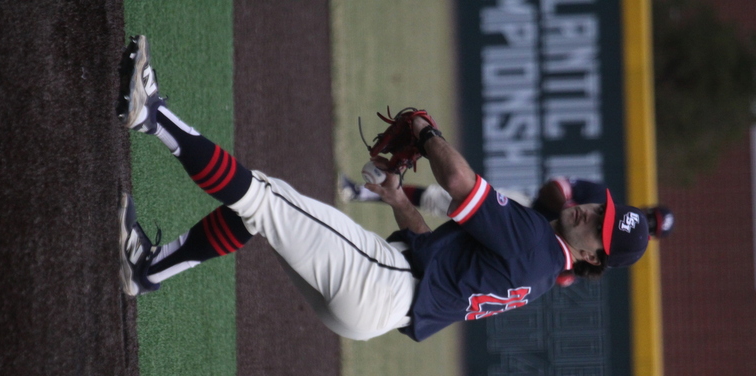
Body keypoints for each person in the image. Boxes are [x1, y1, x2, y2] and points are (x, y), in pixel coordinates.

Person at [117, 35, 650, 342]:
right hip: (379, 305)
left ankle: (151, 115)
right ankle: (149, 268)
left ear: (594, 259)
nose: (585, 213)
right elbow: (431, 259)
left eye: (598, 228)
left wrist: (424, 129)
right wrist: (397, 200)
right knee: (260, 214)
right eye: (596, 208)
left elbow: (460, 182)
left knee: (262, 194)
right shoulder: (537, 273)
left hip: (380, 283)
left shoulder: (537, 243)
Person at [341, 176, 675, 240]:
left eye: (651, 225)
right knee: (442, 199)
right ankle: (367, 192)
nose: (645, 221)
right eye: (649, 215)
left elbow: (567, 277)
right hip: (521, 211)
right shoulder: (602, 200)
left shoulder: (614, 252)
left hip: (525, 247)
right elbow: (554, 187)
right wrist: (571, 212)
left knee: (444, 247)